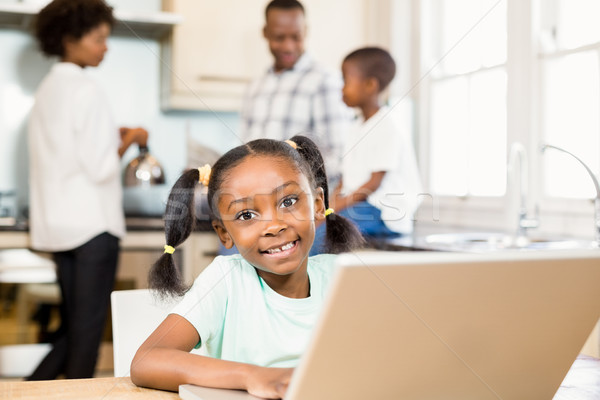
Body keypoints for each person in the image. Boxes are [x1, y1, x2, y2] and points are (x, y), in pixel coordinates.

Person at [130, 136, 364, 398]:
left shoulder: (343, 276)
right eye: (246, 215)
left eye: (288, 202)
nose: (274, 226)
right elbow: (146, 361)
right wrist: (253, 376)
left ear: (318, 205)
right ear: (224, 233)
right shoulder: (225, 282)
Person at [27, 0, 148, 380]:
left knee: (74, 329)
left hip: (58, 228)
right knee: (87, 333)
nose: (105, 48)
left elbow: (69, 155)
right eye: (98, 39)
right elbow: (101, 168)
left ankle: (26, 390)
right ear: (69, 39)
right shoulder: (87, 90)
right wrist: (132, 140)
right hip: (93, 229)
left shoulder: (46, 90)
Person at [311, 47, 422, 255]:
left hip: (384, 212)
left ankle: (313, 284)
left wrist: (335, 208)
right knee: (313, 224)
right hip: (360, 206)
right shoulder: (355, 126)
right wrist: (329, 206)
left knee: (324, 232)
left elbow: (373, 183)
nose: (341, 89)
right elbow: (345, 179)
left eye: (346, 81)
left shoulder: (387, 125)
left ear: (370, 85)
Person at [240, 0, 350, 184]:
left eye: (296, 37)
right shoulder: (254, 87)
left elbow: (340, 158)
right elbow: (243, 149)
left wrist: (291, 182)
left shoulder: (324, 81)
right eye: (279, 37)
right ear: (265, 32)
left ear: (305, 31)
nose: (288, 46)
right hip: (258, 196)